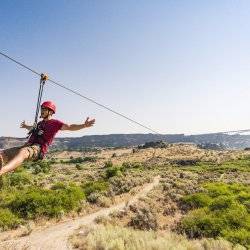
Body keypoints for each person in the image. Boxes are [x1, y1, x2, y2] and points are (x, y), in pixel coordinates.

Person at [0, 101, 95, 176]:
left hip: (38, 148)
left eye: (44, 109)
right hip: (27, 146)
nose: (42, 111)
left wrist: (84, 125)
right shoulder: (40, 124)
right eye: (41, 109)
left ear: (50, 112)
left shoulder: (55, 123)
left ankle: (1, 172)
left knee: (23, 153)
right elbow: (33, 129)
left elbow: (70, 127)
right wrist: (26, 126)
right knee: (2, 154)